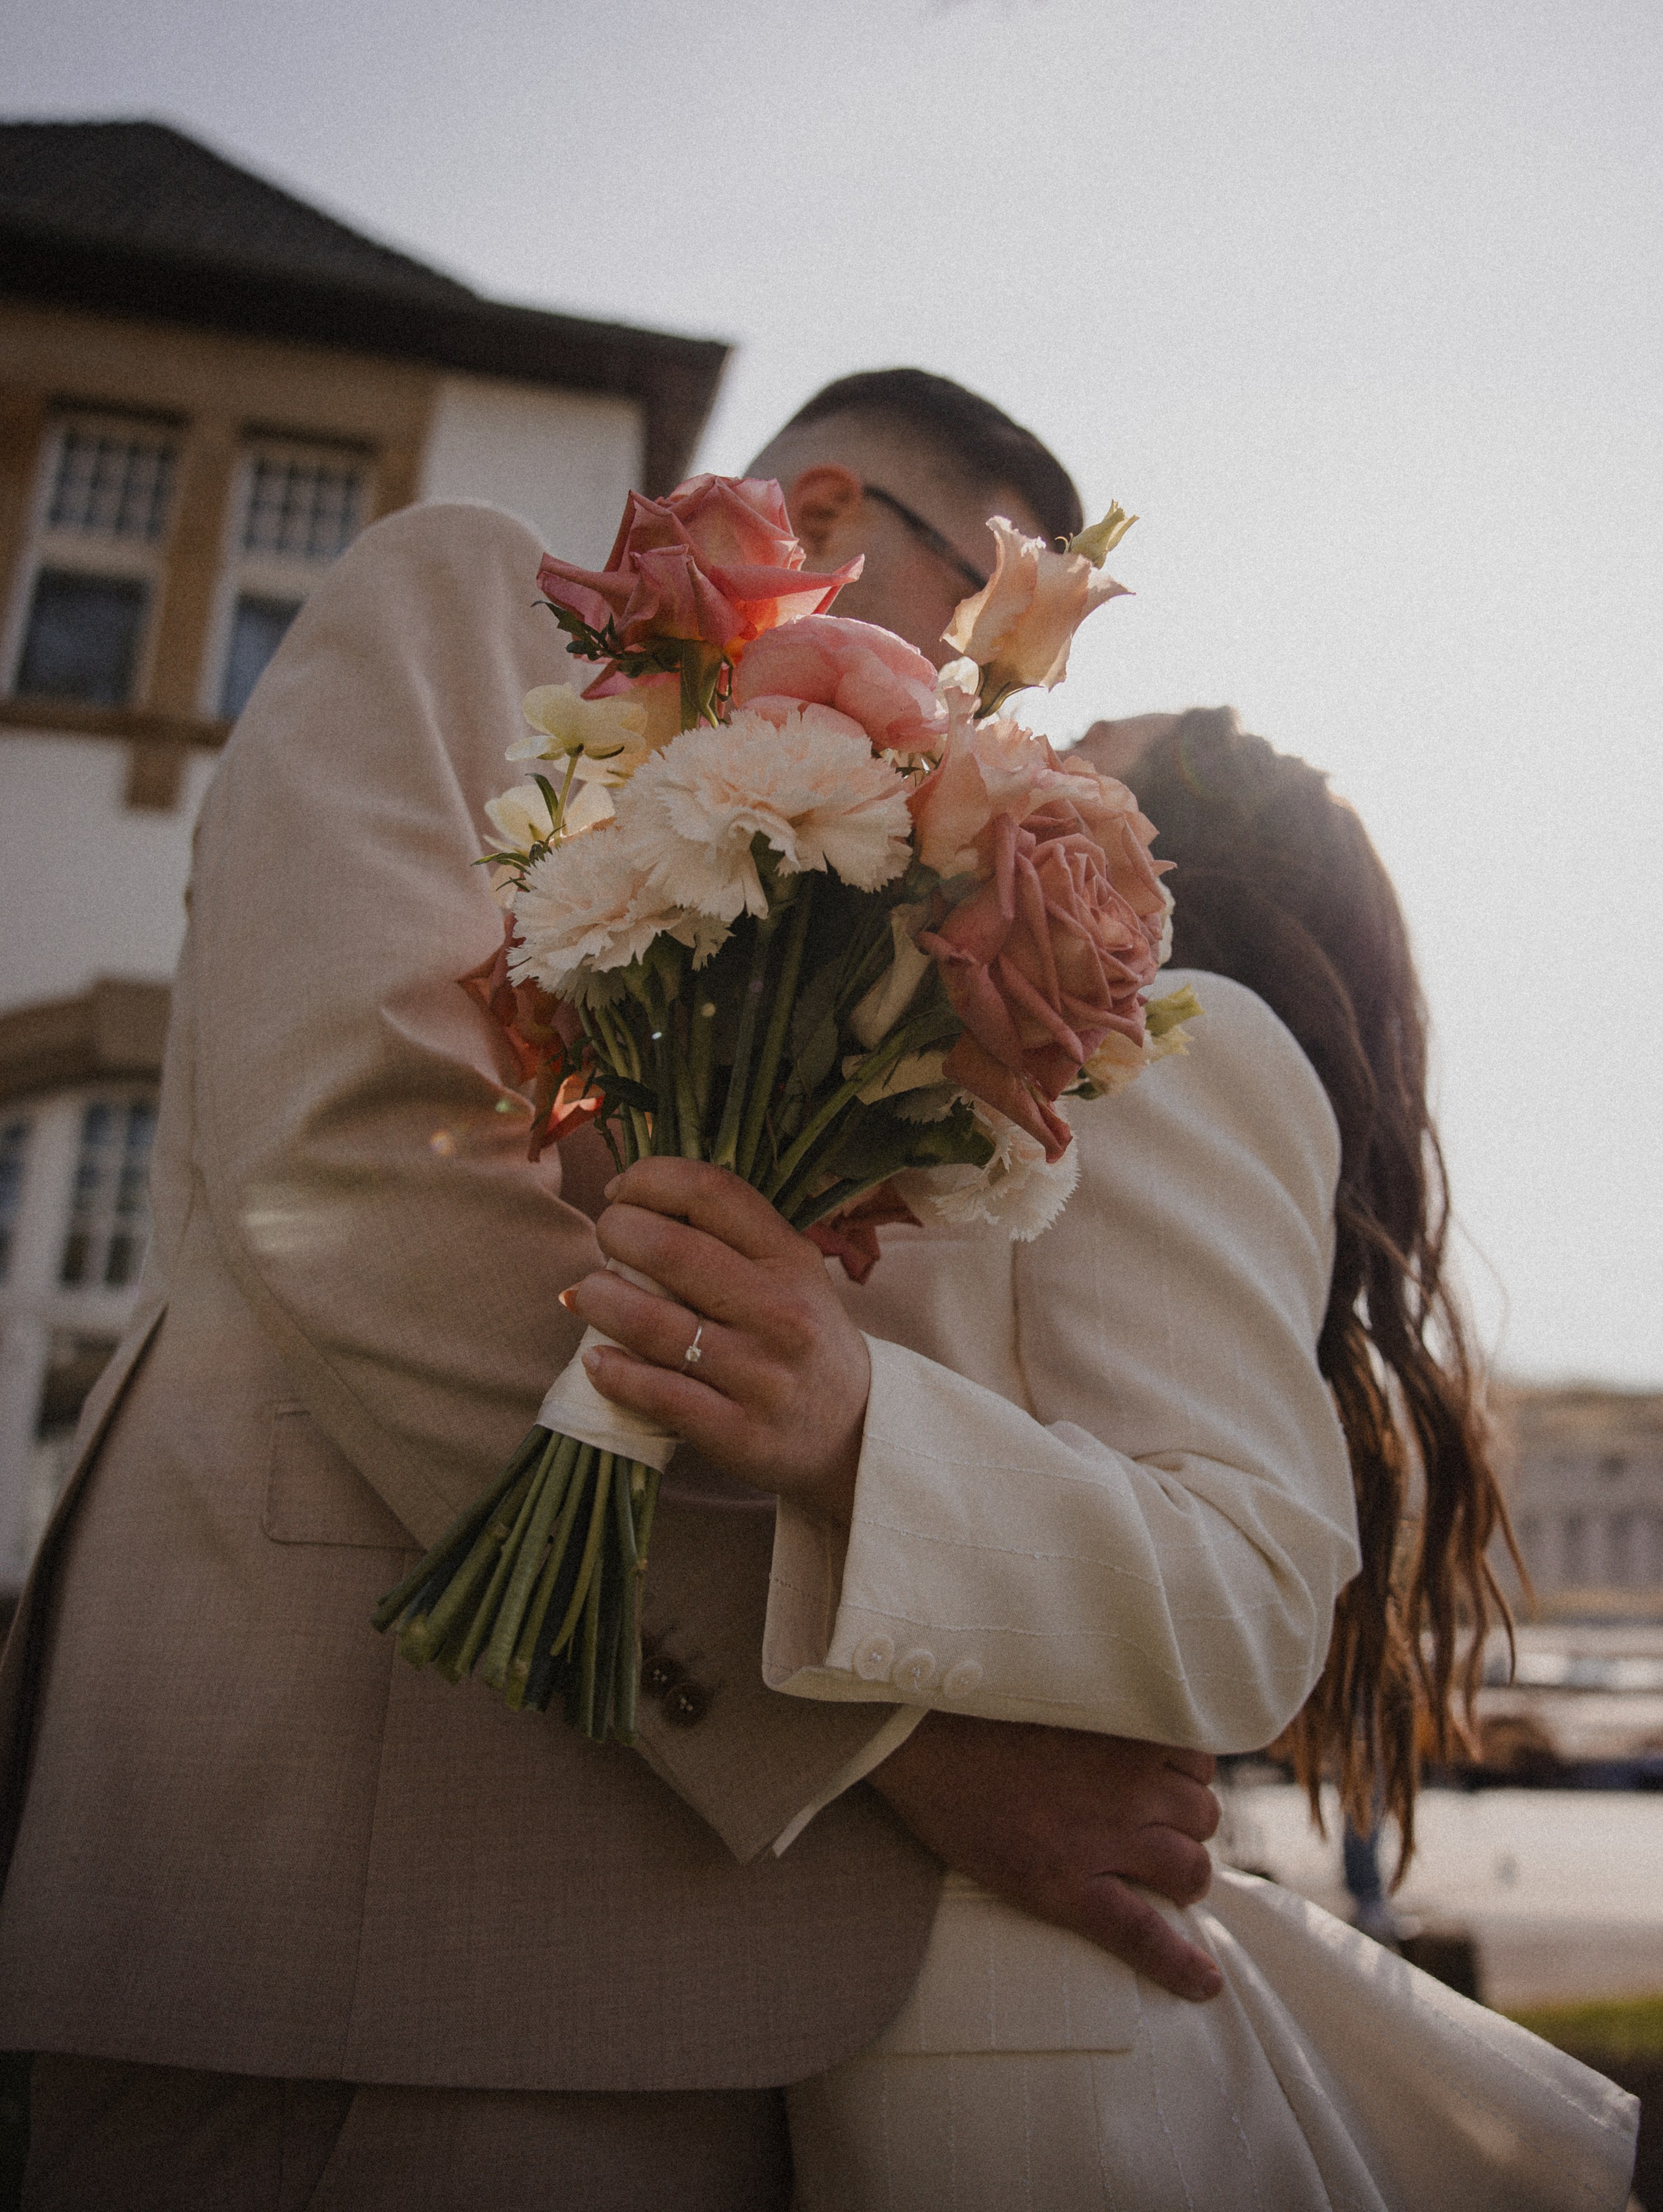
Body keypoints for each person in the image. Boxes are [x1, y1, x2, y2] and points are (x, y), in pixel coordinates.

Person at [0, 372, 1228, 2211]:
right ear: (818, 526)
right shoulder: (489, 602)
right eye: (967, 636)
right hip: (357, 1921)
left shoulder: (897, 907)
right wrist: (876, 1726)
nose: (985, 720)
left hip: (736, 1994)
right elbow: (362, 1158)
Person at [571, 707, 1637, 2207]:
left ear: (1160, 856)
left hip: (996, 2039)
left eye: (1083, 754)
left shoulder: (1180, 1044)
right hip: (774, 1977)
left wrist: (856, 1427)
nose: (1017, 759)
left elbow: (1255, 1590)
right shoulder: (910, 1053)